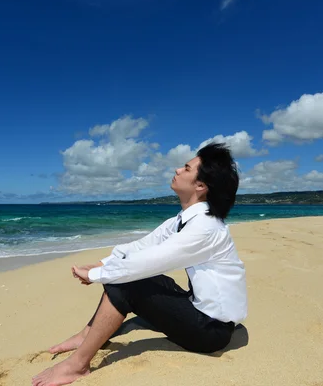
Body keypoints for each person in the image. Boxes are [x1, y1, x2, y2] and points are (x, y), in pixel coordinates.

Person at [32, 142, 248, 386]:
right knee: (139, 277)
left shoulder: (204, 228)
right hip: (200, 311)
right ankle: (86, 335)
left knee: (127, 282)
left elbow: (140, 265)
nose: (177, 169)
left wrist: (97, 275)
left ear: (200, 185)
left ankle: (77, 365)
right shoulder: (184, 220)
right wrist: (98, 265)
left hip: (211, 332)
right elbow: (140, 247)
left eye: (186, 168)